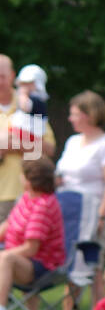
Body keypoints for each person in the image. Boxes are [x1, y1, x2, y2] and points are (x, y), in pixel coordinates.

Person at [54, 90, 105, 310]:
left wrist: (102, 214)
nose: (70, 118)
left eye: (75, 114)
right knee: (72, 264)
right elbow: (60, 175)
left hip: (92, 212)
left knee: (93, 266)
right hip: (68, 213)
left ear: (89, 115)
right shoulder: (73, 142)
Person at [0, 157, 65, 310]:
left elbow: (31, 249)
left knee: (5, 260)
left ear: (29, 180)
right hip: (21, 259)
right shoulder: (25, 199)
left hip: (42, 266)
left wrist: (4, 255)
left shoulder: (44, 205)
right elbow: (8, 225)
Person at [0, 55, 56, 221]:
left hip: (28, 195)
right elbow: (37, 145)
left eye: (2, 77)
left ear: (12, 75)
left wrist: (9, 144)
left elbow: (49, 149)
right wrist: (27, 144)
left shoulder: (32, 103)